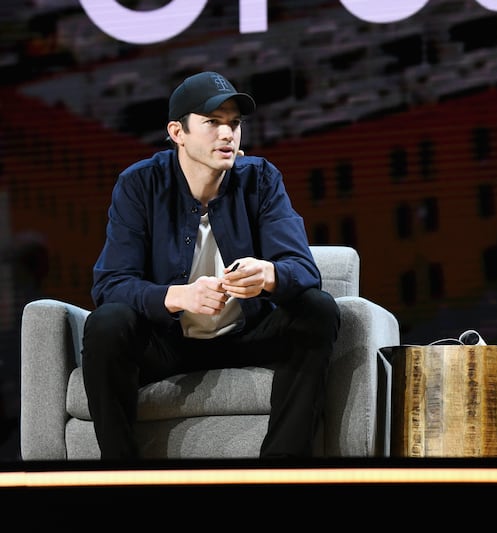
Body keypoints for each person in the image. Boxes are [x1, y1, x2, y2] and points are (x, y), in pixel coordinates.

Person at [82, 71, 340, 460]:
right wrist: (177, 296)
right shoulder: (139, 184)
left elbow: (303, 269)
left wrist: (268, 275)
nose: (228, 135)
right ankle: (123, 477)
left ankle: (281, 471)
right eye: (213, 123)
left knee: (318, 309)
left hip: (247, 334)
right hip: (168, 343)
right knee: (106, 324)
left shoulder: (261, 178)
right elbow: (111, 285)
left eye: (234, 124)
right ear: (177, 132)